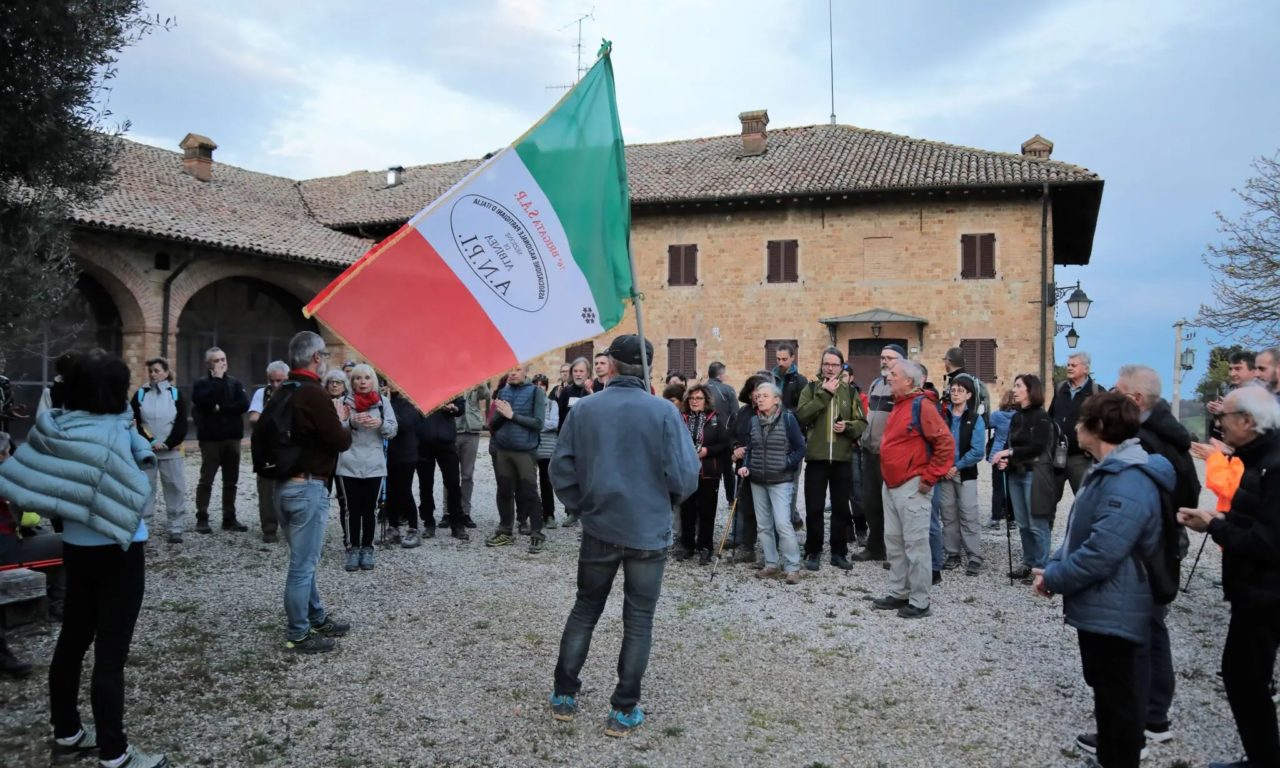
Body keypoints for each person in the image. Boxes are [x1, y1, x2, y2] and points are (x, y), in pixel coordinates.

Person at [0, 350, 167, 767]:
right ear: (112, 392)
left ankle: (68, 731)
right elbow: (136, 492)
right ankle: (115, 752)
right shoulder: (112, 435)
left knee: (73, 640)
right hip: (121, 551)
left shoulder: (55, 427)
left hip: (75, 545)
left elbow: (26, 477)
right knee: (110, 655)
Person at [548, 334, 699, 736]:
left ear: (610, 365)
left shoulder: (586, 410)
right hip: (647, 530)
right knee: (638, 620)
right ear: (647, 367)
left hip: (601, 526)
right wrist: (664, 503)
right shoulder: (664, 413)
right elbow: (686, 476)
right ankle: (623, 708)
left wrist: (583, 506)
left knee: (585, 609)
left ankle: (564, 694)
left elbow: (560, 469)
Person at [1035, 392, 1172, 768]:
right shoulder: (1106, 469)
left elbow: (1102, 552)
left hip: (1119, 610)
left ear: (1098, 428)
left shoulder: (1128, 480)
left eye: (1081, 422)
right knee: (1108, 695)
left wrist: (1056, 577)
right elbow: (1080, 531)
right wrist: (1055, 564)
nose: (1075, 427)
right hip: (1105, 607)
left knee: (1120, 701)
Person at [1087, 364, 1202, 754]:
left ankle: (1137, 728)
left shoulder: (1152, 439)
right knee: (1151, 630)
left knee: (1141, 635)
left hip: (1149, 545)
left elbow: (1181, 491)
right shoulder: (1163, 431)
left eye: (1118, 391)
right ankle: (1152, 718)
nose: (1111, 395)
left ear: (1135, 400)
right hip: (1157, 541)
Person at [1177, 386, 1280, 768]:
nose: (1218, 427)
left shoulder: (1274, 463)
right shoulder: (1258, 458)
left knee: (1244, 678)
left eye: (1224, 420)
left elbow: (1268, 542)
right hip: (1254, 591)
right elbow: (1254, 520)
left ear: (1248, 422)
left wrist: (1215, 526)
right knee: (1243, 676)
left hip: (1265, 594)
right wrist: (1215, 522)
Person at [871, 359, 954, 619]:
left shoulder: (922, 406)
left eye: (893, 373)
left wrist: (929, 478)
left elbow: (945, 444)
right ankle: (899, 592)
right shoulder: (900, 404)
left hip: (912, 485)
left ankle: (920, 601)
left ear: (909, 381)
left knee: (916, 545)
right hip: (893, 484)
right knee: (894, 542)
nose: (888, 376)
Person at [794, 347, 867, 571]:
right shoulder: (811, 388)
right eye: (826, 363)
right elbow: (802, 415)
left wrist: (848, 426)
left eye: (835, 364)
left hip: (843, 458)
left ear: (841, 366)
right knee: (814, 507)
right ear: (821, 364)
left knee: (840, 508)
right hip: (816, 457)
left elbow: (862, 423)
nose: (830, 368)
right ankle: (813, 550)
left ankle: (838, 552)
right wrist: (824, 394)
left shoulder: (850, 392)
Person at [739, 381, 807, 584]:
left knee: (783, 524)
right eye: (758, 396)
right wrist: (745, 464)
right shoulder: (753, 421)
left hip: (780, 480)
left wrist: (787, 463)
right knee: (763, 526)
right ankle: (771, 564)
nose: (759, 399)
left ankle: (793, 567)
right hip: (757, 479)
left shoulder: (788, 419)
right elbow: (750, 448)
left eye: (764, 395)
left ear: (776, 399)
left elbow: (800, 448)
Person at [991, 374, 1056, 579]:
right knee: (1022, 523)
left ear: (1030, 390)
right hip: (1016, 473)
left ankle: (1041, 568)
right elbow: (1012, 445)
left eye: (1018, 386)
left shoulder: (1041, 417)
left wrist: (1008, 454)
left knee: (1037, 523)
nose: (1014, 390)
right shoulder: (1017, 416)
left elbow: (1036, 446)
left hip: (1033, 474)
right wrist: (1006, 459)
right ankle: (1028, 562)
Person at [336, 364, 397, 572]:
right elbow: (335, 431)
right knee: (351, 510)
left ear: (373, 381)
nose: (362, 382)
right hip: (348, 464)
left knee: (370, 510)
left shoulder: (383, 403)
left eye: (366, 378)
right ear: (351, 382)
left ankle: (367, 548)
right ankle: (352, 548)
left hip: (374, 464)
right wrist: (350, 423)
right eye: (357, 378)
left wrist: (380, 423)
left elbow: (393, 430)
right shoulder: (343, 402)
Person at [486, 365, 549, 554]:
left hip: (525, 451)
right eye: (510, 370)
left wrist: (512, 415)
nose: (512, 373)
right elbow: (493, 424)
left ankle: (537, 534)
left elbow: (538, 423)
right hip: (503, 450)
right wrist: (500, 415)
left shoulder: (536, 392)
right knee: (504, 491)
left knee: (529, 493)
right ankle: (505, 530)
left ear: (525, 372)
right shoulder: (504, 390)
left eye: (517, 369)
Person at [854, 344, 905, 562]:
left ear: (901, 361)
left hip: (890, 455)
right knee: (871, 501)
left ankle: (894, 552)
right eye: (882, 357)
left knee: (891, 505)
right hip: (869, 452)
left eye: (889, 358)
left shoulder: (902, 387)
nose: (884, 361)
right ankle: (875, 547)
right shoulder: (876, 383)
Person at [190, 346, 251, 534]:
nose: (222, 363)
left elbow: (243, 404)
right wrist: (216, 382)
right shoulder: (201, 384)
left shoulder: (235, 382)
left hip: (232, 438)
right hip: (211, 439)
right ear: (209, 364)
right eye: (217, 360)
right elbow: (204, 401)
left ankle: (229, 517)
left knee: (231, 480)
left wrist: (220, 408)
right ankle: (202, 516)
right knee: (206, 479)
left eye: (223, 359)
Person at [130, 357, 189, 545]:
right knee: (146, 489)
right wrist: (151, 441)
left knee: (174, 487)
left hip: (171, 451)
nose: (153, 374)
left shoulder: (176, 394)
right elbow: (135, 422)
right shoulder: (140, 394)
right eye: (151, 371)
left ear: (165, 372)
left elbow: (181, 423)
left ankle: (176, 528)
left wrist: (169, 443)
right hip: (147, 451)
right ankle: (144, 527)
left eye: (157, 370)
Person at [676, 384, 730, 564]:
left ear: (706, 400)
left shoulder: (716, 418)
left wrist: (706, 451)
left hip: (708, 471)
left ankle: (705, 547)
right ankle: (687, 546)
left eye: (698, 398)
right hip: (687, 471)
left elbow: (724, 443)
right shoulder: (681, 418)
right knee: (687, 510)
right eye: (691, 398)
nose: (694, 402)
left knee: (707, 511)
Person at [939, 376, 986, 576]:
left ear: (968, 395)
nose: (955, 392)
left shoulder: (975, 419)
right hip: (944, 474)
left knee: (968, 514)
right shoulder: (943, 417)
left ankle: (974, 556)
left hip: (964, 473)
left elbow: (977, 451)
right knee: (948, 515)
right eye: (953, 389)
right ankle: (952, 553)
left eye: (960, 390)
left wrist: (956, 467)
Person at [1049, 351, 1105, 502]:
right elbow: (1051, 417)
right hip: (1057, 455)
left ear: (1086, 369)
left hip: (1082, 458)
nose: (1069, 368)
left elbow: (1105, 425)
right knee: (1046, 503)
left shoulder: (1097, 393)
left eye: (1074, 365)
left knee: (1085, 501)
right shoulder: (1060, 389)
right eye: (1068, 365)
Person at [247, 361, 289, 543]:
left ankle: (289, 527)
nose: (275, 385)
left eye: (280, 381)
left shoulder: (294, 394)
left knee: (289, 489)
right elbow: (253, 418)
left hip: (287, 449)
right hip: (266, 450)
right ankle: (269, 528)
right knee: (266, 491)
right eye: (272, 381)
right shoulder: (261, 393)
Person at [729, 373, 769, 563]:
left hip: (766, 467)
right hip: (743, 467)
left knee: (767, 509)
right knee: (746, 507)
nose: (757, 395)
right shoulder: (742, 412)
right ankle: (747, 546)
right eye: (754, 390)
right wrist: (736, 448)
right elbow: (731, 435)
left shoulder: (773, 412)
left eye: (761, 390)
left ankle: (771, 551)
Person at [416, 393, 464, 536]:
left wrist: (454, 408)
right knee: (425, 484)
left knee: (453, 483)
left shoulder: (449, 384)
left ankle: (457, 523)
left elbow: (461, 407)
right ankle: (428, 522)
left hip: (446, 441)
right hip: (423, 442)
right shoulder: (418, 387)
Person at [383, 384, 423, 546]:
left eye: (393, 382)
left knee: (404, 491)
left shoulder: (411, 402)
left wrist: (386, 407)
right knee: (390, 492)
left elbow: (404, 423)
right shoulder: (386, 401)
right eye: (388, 382)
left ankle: (413, 529)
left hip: (407, 454)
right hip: (388, 454)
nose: (390, 385)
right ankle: (393, 528)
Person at [322, 369, 352, 544]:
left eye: (338, 382)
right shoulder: (321, 402)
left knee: (345, 500)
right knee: (321, 498)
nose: (334, 385)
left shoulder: (349, 404)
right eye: (331, 381)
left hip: (343, 457)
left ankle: (348, 537)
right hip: (325, 457)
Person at [455, 382, 490, 529]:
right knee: (450, 475)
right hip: (454, 430)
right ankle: (448, 512)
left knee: (467, 475)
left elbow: (485, 395)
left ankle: (465, 512)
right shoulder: (450, 380)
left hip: (472, 431)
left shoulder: (475, 381)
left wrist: (480, 383)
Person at [705, 361, 739, 506]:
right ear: (721, 374)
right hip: (724, 434)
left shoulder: (701, 389)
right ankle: (731, 499)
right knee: (727, 469)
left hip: (705, 434)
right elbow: (735, 414)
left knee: (706, 467)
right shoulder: (728, 389)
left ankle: (707, 499)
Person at [532, 374, 561, 530]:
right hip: (530, 447)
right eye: (536, 384)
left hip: (547, 449)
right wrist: (542, 424)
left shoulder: (552, 404)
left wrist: (535, 423)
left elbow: (554, 423)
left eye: (542, 384)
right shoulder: (529, 404)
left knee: (546, 483)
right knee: (528, 484)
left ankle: (549, 515)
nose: (539, 386)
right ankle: (531, 513)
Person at [987, 388, 1016, 529]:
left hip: (998, 451)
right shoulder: (1020, 416)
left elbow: (988, 425)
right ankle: (1012, 519)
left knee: (997, 488)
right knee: (1011, 487)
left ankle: (995, 518)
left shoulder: (997, 415)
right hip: (1013, 452)